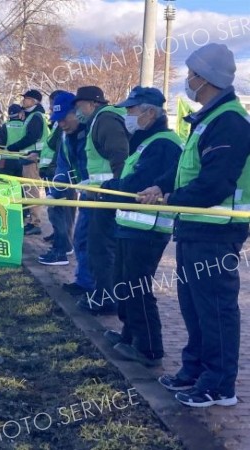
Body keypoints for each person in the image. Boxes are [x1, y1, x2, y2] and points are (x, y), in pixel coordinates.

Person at [140, 43, 250, 407]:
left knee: (215, 308)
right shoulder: (207, 120)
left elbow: (215, 183)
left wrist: (174, 199)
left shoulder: (229, 122)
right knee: (193, 305)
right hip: (195, 227)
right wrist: (162, 186)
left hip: (217, 231)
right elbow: (188, 170)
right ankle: (195, 370)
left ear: (204, 77)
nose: (187, 80)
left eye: (191, 73)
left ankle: (219, 386)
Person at [100, 86, 183, 367]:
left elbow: (137, 182)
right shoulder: (146, 140)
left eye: (131, 110)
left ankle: (149, 348)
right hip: (131, 224)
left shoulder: (164, 143)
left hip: (148, 229)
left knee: (137, 287)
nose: (127, 115)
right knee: (123, 283)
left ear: (150, 111)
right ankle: (129, 334)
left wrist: (110, 187)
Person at [73, 86, 129, 314]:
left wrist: (113, 188)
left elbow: (119, 156)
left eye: (79, 106)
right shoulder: (99, 120)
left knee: (102, 249)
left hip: (107, 197)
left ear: (92, 103)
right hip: (101, 195)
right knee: (100, 247)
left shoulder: (105, 120)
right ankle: (103, 294)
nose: (78, 111)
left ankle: (106, 298)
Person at [38, 92, 79, 266]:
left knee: (60, 212)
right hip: (56, 174)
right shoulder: (63, 130)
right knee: (58, 212)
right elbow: (61, 156)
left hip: (62, 178)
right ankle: (63, 245)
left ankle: (61, 249)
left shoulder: (74, 132)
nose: (61, 123)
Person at [6, 89, 50, 236]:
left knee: (32, 190)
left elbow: (32, 137)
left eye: (26, 99)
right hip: (29, 157)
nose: (23, 101)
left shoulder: (36, 117)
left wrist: (14, 147)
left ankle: (35, 222)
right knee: (30, 189)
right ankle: (33, 220)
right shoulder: (34, 116)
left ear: (34, 101)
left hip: (32, 159)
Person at [0, 104, 25, 177]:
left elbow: (0, 144)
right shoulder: (25, 125)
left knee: (8, 184)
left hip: (7, 159)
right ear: (19, 113)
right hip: (22, 158)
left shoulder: (5, 126)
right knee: (21, 185)